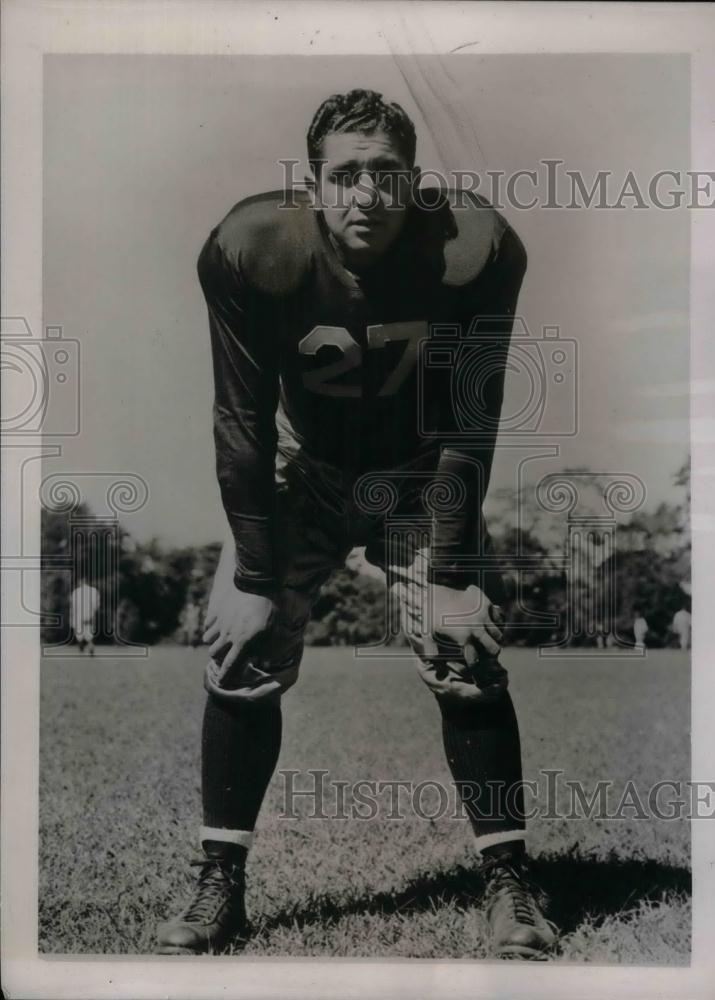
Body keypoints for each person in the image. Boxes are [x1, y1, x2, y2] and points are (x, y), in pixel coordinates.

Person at [157, 89, 557, 960]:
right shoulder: (251, 248)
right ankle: (220, 882)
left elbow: (470, 419)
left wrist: (450, 576)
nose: (366, 194)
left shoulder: (477, 249)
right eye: (346, 175)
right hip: (306, 463)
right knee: (240, 652)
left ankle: (510, 884)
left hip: (420, 472)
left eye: (386, 173)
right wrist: (257, 578)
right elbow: (241, 421)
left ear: (415, 181)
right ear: (312, 185)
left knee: (467, 653)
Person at [70, 577, 100, 656]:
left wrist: (72, 618)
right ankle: (89, 647)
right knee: (90, 633)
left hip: (79, 616)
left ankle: (81, 647)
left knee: (79, 634)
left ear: (80, 582)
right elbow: (96, 606)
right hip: (90, 615)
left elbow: (73, 607)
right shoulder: (94, 591)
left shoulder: (76, 592)